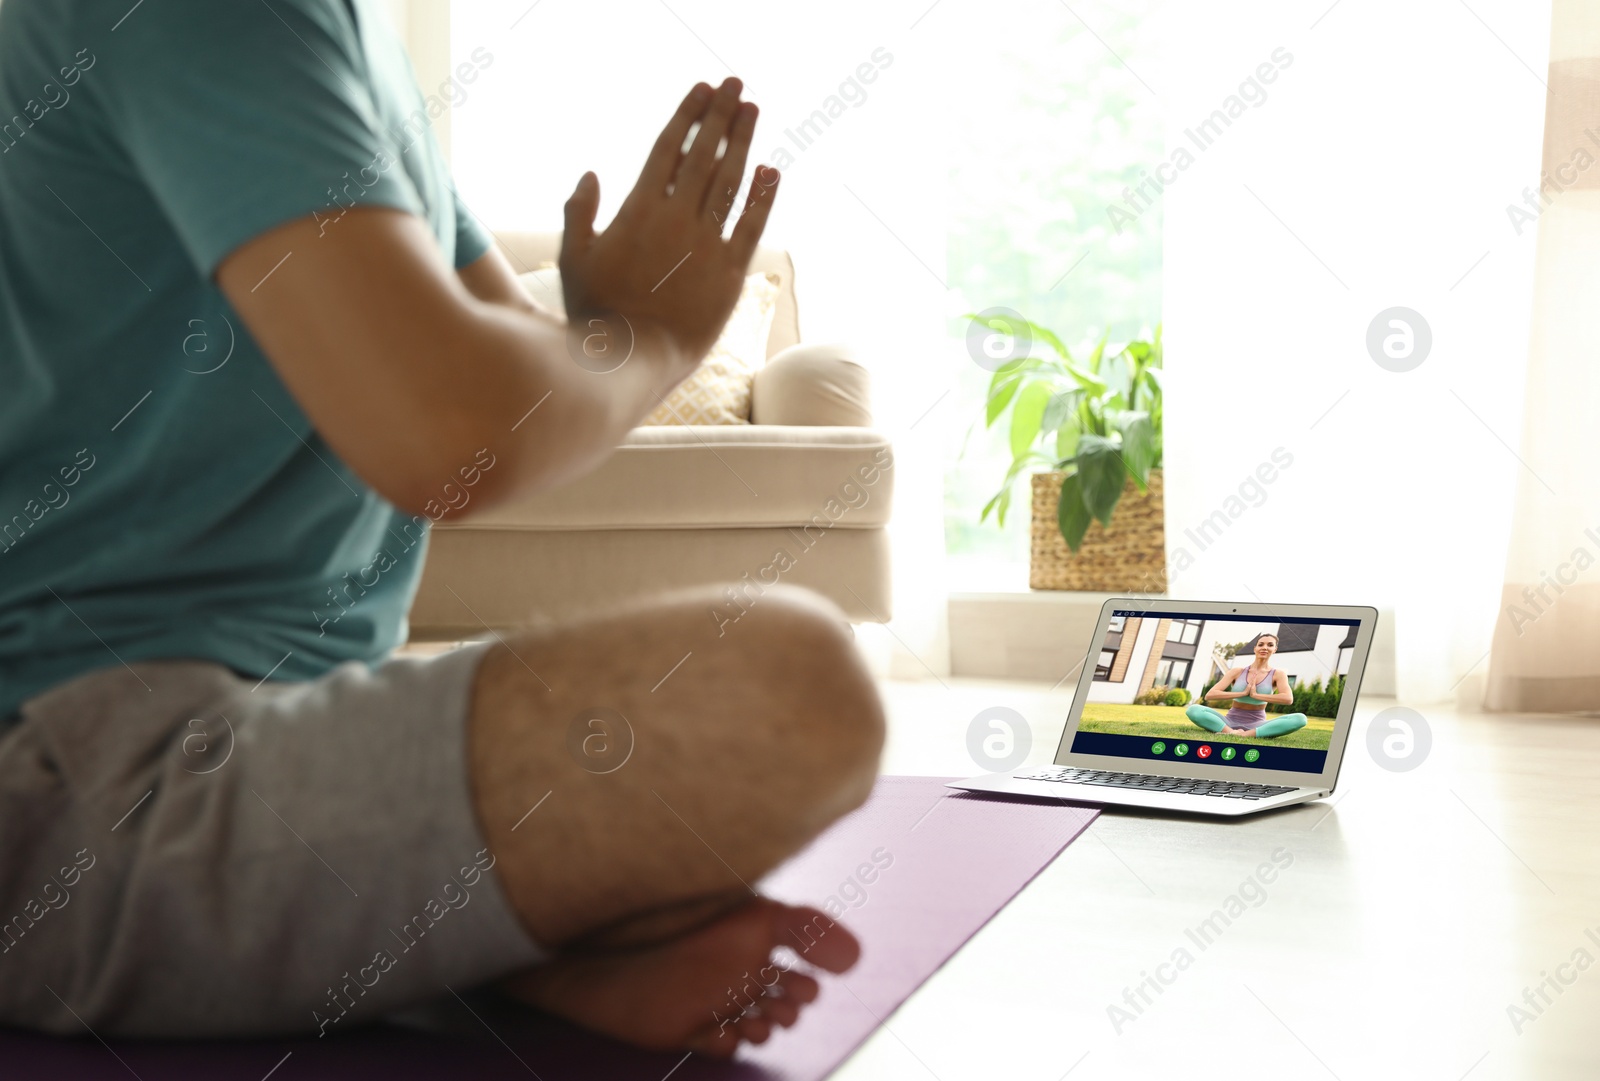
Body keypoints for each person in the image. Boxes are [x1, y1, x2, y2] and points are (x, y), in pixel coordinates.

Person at [0, 0, 884, 1057]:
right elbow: (448, 430)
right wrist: (642, 334)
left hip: (285, 720)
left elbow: (515, 377)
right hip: (66, 775)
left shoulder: (336, 41)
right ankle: (492, 946)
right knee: (790, 694)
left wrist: (607, 328)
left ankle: (483, 950)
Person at [1184, 634, 1308, 738]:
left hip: (1258, 724)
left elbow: (1288, 699)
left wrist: (1256, 695)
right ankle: (1231, 732)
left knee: (1300, 719)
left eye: (1270, 645)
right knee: (1193, 710)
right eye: (1261, 644)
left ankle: (1245, 734)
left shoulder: (1278, 674)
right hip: (1229, 721)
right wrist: (1242, 693)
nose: (1264, 647)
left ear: (1275, 649)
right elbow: (1210, 695)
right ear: (1255, 648)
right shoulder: (1237, 671)